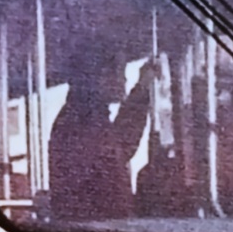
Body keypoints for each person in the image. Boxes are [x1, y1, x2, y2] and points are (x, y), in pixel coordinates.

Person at [47, 45, 156, 222]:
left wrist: (141, 88)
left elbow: (118, 143)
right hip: (94, 227)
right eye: (120, 72)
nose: (124, 79)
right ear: (100, 77)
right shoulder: (80, 121)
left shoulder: (83, 116)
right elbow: (120, 147)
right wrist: (141, 90)